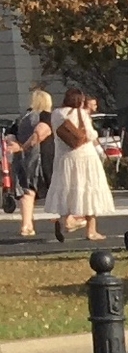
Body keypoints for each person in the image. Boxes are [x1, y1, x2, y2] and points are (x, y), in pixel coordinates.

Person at [44, 89, 115, 242]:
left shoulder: (56, 114)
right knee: (89, 190)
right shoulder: (81, 113)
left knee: (67, 189)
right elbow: (90, 135)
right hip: (85, 157)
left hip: (64, 158)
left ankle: (66, 220)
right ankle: (91, 230)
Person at [13, 87, 54, 239]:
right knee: (57, 188)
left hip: (22, 159)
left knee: (27, 191)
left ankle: (26, 225)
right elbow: (40, 133)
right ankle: (68, 219)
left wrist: (18, 148)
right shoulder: (45, 116)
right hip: (40, 158)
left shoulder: (23, 117)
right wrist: (26, 146)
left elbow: (10, 136)